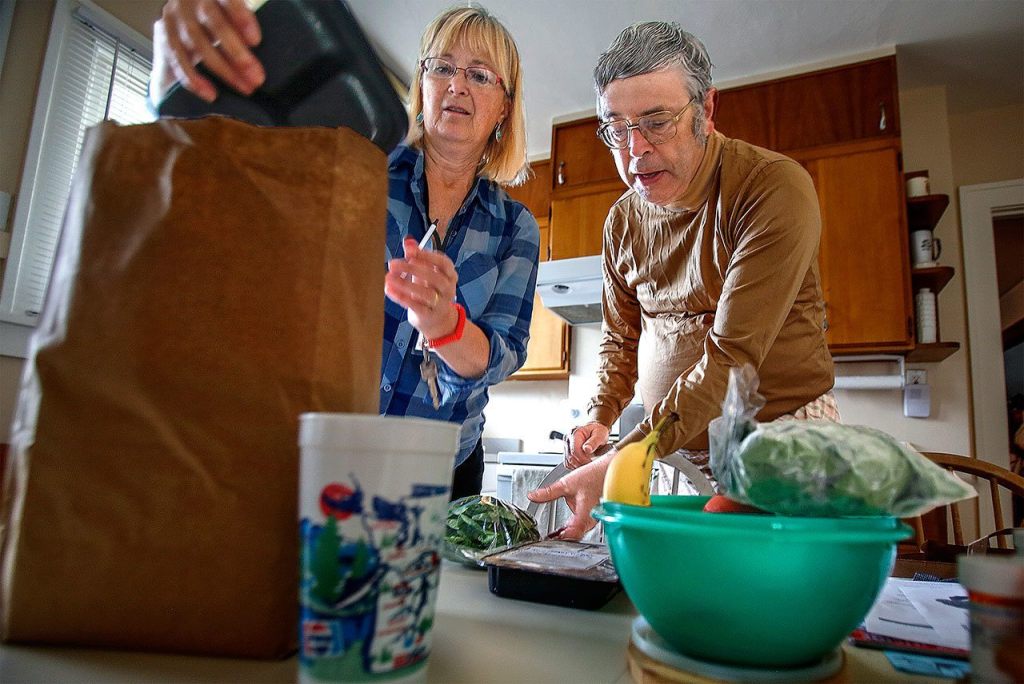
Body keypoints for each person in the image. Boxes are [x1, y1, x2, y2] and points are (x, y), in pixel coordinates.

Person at [151, 1, 539, 500]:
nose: (457, 85)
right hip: (315, 450)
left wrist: (447, 327)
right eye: (441, 67)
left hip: (438, 471)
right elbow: (238, 191)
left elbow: (503, 350)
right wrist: (181, 79)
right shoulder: (359, 157)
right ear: (422, 83)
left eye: (480, 75)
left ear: (505, 106)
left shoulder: (515, 227)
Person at [529, 21, 836, 538]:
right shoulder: (623, 221)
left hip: (777, 436)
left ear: (707, 110)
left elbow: (733, 356)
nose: (634, 149)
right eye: (616, 128)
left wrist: (634, 452)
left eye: (656, 122)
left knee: (772, 600)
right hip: (674, 446)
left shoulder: (771, 187)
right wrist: (601, 416)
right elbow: (620, 337)